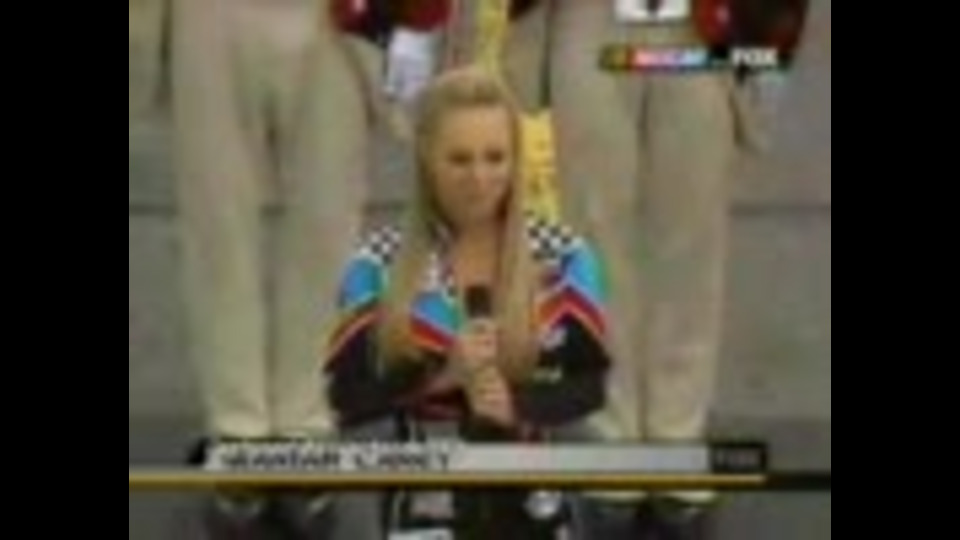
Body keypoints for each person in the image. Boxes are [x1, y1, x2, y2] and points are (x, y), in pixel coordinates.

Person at [537, 0, 806, 538]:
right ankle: (613, 443)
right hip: (589, 20)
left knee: (691, 241)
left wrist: (771, 43)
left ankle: (677, 439)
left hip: (703, 27)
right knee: (594, 237)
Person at [322, 66, 612, 539]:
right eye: (459, 160)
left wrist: (518, 406)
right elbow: (345, 398)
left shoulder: (564, 256)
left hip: (534, 488)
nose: (480, 178)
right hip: (423, 491)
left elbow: (594, 384)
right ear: (426, 160)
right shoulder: (377, 263)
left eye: (495, 158)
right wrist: (442, 376)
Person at [165, 0, 413, 536]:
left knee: (328, 228)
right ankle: (238, 433)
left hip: (337, 17)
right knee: (217, 228)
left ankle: (306, 426)